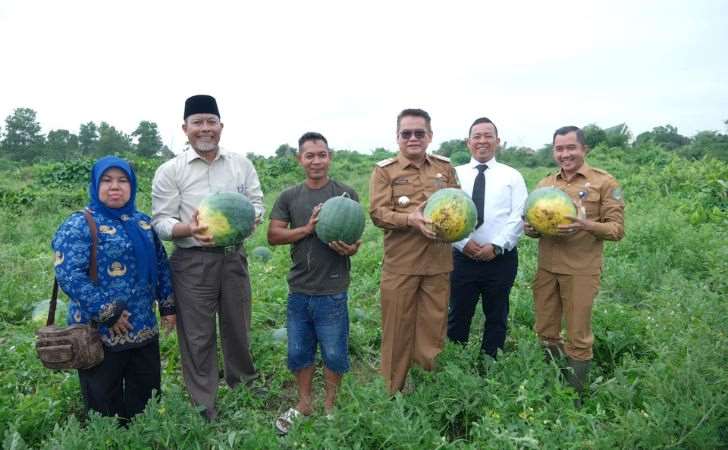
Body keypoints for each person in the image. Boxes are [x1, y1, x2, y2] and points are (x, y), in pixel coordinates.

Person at [151, 94, 264, 421]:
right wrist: (188, 228)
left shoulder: (241, 164)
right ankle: (205, 404)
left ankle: (243, 384)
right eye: (197, 122)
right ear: (185, 128)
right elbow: (160, 220)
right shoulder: (170, 171)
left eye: (210, 122)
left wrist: (250, 218)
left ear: (221, 126)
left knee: (238, 326)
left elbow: (256, 203)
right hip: (192, 262)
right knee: (197, 335)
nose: (205, 129)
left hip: (232, 257)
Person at [52, 156, 175, 423]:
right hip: (99, 331)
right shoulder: (79, 224)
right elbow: (69, 274)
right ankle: (109, 437)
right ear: (95, 185)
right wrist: (108, 313)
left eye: (122, 181)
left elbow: (161, 264)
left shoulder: (143, 223)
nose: (115, 187)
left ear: (132, 186)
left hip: (143, 326)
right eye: (107, 181)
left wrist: (168, 306)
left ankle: (139, 435)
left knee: (145, 393)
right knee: (103, 398)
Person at [267, 132, 361, 434]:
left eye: (322, 154)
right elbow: (273, 236)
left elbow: (355, 241)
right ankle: (304, 403)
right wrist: (308, 228)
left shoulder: (346, 194)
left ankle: (331, 406)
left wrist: (351, 249)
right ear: (300, 159)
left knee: (334, 352)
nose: (316, 160)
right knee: (298, 351)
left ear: (329, 156)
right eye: (310, 155)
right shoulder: (289, 196)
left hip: (332, 289)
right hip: (299, 289)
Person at [524, 125, 625, 393]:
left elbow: (616, 230)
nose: (565, 154)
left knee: (578, 336)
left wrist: (586, 225)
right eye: (559, 149)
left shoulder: (605, 183)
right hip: (547, 270)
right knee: (546, 331)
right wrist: (531, 229)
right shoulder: (546, 184)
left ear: (584, 149)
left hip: (581, 271)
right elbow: (532, 225)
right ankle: (553, 388)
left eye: (571, 148)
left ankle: (574, 399)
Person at [369, 108, 459, 394]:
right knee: (397, 331)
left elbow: (458, 206)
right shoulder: (385, 171)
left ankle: (425, 393)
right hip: (401, 266)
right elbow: (378, 213)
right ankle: (392, 392)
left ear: (430, 136)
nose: (413, 138)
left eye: (419, 133)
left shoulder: (444, 168)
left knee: (432, 331)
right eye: (406, 133)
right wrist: (410, 219)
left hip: (438, 265)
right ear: (397, 137)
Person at [447, 117, 528, 359]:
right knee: (458, 312)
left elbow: (518, 216)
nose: (482, 141)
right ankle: (457, 362)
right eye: (477, 136)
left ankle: (490, 362)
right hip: (462, 257)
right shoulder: (454, 175)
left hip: (500, 258)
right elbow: (445, 215)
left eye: (488, 136)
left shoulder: (512, 176)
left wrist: (496, 246)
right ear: (468, 142)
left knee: (497, 313)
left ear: (498, 141)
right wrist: (462, 243)